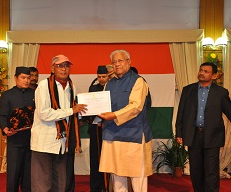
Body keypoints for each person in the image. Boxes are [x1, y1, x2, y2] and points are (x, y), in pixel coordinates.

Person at [175, 62, 231, 192]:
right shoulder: (188, 90)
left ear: (214, 75)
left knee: (211, 171)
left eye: (206, 71)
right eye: (201, 70)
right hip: (193, 135)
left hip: (212, 137)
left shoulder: (221, 93)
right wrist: (179, 132)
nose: (202, 73)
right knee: (196, 171)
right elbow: (181, 113)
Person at [30, 54, 87, 192]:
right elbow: (44, 113)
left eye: (66, 66)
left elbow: (72, 112)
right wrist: (71, 111)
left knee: (60, 182)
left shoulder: (72, 87)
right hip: (44, 141)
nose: (63, 69)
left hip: (62, 142)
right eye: (60, 66)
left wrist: (80, 115)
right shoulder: (44, 86)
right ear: (52, 68)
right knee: (42, 183)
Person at [98, 50, 153, 192]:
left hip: (133, 134)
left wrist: (114, 115)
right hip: (112, 134)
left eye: (120, 61)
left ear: (129, 61)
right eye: (114, 62)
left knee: (137, 176)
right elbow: (103, 105)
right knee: (117, 174)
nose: (117, 64)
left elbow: (136, 106)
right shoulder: (109, 83)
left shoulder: (139, 81)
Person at [0, 66, 35, 192]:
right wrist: (5, 129)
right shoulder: (7, 95)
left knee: (28, 174)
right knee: (13, 173)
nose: (26, 81)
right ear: (16, 78)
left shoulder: (34, 94)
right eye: (23, 78)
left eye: (28, 78)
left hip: (32, 140)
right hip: (15, 139)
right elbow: (2, 115)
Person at [88, 65, 110, 192]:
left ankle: (108, 186)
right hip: (96, 128)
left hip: (110, 127)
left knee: (109, 158)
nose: (101, 79)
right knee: (95, 158)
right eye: (99, 77)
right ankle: (96, 187)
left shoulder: (113, 87)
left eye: (104, 76)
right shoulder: (93, 88)